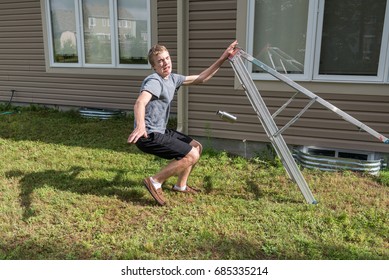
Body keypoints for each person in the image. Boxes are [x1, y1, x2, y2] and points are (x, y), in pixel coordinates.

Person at [127, 40, 238, 206]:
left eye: (167, 58)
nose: (165, 63)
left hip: (161, 130)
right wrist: (140, 125)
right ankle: (155, 181)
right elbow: (140, 103)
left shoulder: (173, 79)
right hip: (148, 135)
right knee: (191, 155)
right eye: (160, 61)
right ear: (154, 67)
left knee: (197, 147)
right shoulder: (154, 81)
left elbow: (202, 78)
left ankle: (180, 185)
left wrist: (223, 58)